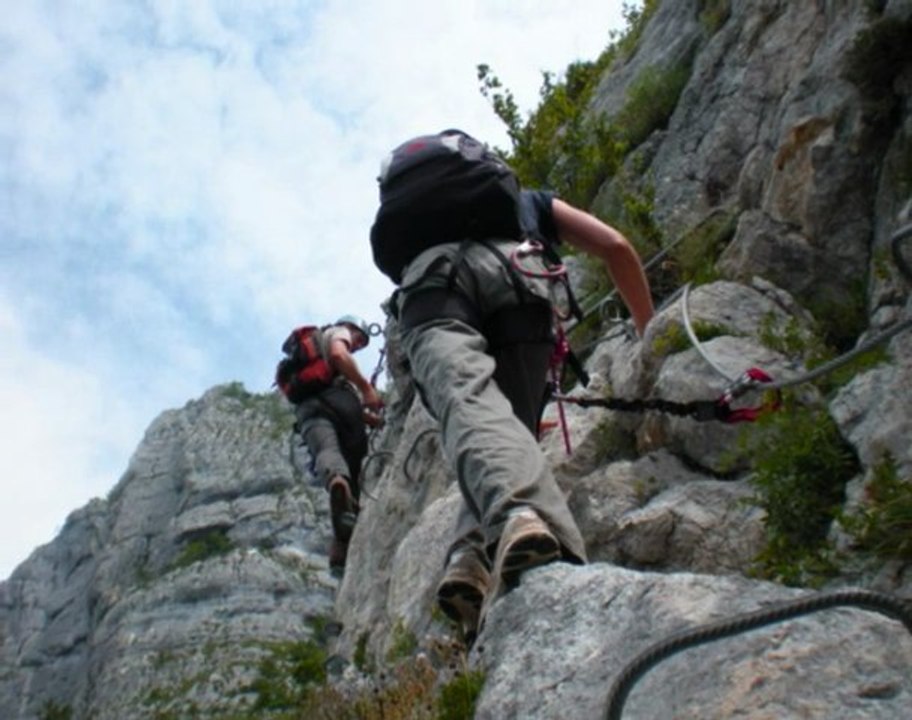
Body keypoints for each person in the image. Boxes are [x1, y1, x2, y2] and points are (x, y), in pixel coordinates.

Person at [392, 183, 655, 641]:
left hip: (429, 290)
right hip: (517, 278)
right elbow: (615, 245)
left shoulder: (420, 224)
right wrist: (649, 331)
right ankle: (499, 537)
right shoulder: (529, 199)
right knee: (509, 428)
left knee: (470, 405)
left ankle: (472, 555)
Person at [293, 314, 383, 569]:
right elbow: (338, 355)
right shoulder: (338, 332)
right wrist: (366, 388)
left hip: (307, 410)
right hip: (340, 402)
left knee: (326, 452)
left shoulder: (308, 358)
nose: (357, 346)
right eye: (359, 341)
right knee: (354, 465)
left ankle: (339, 544)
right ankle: (347, 512)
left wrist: (370, 418)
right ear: (352, 329)